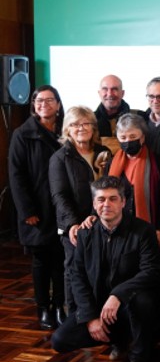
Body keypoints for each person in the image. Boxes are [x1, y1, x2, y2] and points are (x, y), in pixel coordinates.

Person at [51, 176, 160, 362]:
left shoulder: (143, 231)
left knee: (143, 301)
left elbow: (152, 272)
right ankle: (120, 340)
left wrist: (118, 294)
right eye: (101, 199)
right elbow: (77, 276)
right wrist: (90, 317)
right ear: (94, 204)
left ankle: (139, 360)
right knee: (60, 339)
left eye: (113, 199)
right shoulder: (85, 233)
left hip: (131, 305)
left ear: (123, 202)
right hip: (100, 307)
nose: (107, 204)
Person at [8, 85, 66, 330]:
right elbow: (16, 176)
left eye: (49, 100)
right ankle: (43, 308)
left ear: (58, 104)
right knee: (42, 261)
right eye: (38, 100)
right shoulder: (22, 134)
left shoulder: (66, 130)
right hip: (37, 210)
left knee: (61, 260)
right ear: (33, 105)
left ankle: (60, 306)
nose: (44, 104)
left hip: (61, 207)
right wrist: (27, 211)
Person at [49, 106, 112, 317]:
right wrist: (73, 224)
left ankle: (99, 314)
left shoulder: (104, 152)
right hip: (73, 225)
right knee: (74, 270)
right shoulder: (60, 158)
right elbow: (59, 195)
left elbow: (110, 187)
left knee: (101, 268)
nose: (81, 128)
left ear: (93, 128)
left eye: (86, 123)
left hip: (101, 221)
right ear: (67, 129)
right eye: (75, 124)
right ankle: (74, 315)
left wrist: (96, 216)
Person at [107, 113, 160, 249]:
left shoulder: (157, 162)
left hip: (148, 229)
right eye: (123, 137)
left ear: (143, 137)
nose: (128, 141)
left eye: (133, 136)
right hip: (118, 229)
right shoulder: (111, 164)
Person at [94, 75, 135, 153]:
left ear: (122, 93)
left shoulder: (139, 118)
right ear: (99, 93)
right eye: (105, 89)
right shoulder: (89, 122)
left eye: (114, 89)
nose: (110, 94)